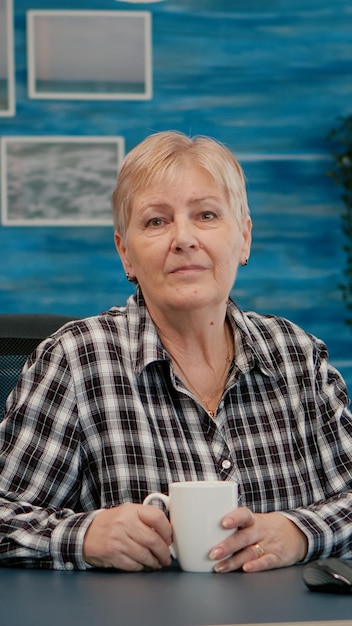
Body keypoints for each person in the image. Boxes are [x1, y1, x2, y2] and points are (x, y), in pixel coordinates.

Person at [0, 130, 351, 574]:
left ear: (243, 238)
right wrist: (84, 536)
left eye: (206, 215)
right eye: (155, 221)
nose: (184, 238)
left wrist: (299, 533)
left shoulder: (297, 356)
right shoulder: (76, 360)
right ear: (125, 253)